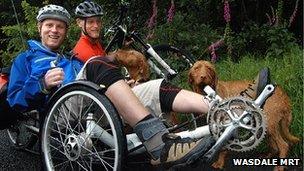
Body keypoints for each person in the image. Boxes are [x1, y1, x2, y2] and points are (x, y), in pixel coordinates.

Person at [7, 4, 268, 168]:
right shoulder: (26, 59)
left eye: (59, 27)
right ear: (40, 29)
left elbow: (90, 82)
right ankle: (159, 144)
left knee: (156, 86)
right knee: (99, 62)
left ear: (65, 31)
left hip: (94, 106)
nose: (54, 30)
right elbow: (14, 100)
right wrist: (41, 83)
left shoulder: (68, 61)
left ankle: (228, 110)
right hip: (63, 114)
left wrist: (122, 84)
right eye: (49, 26)